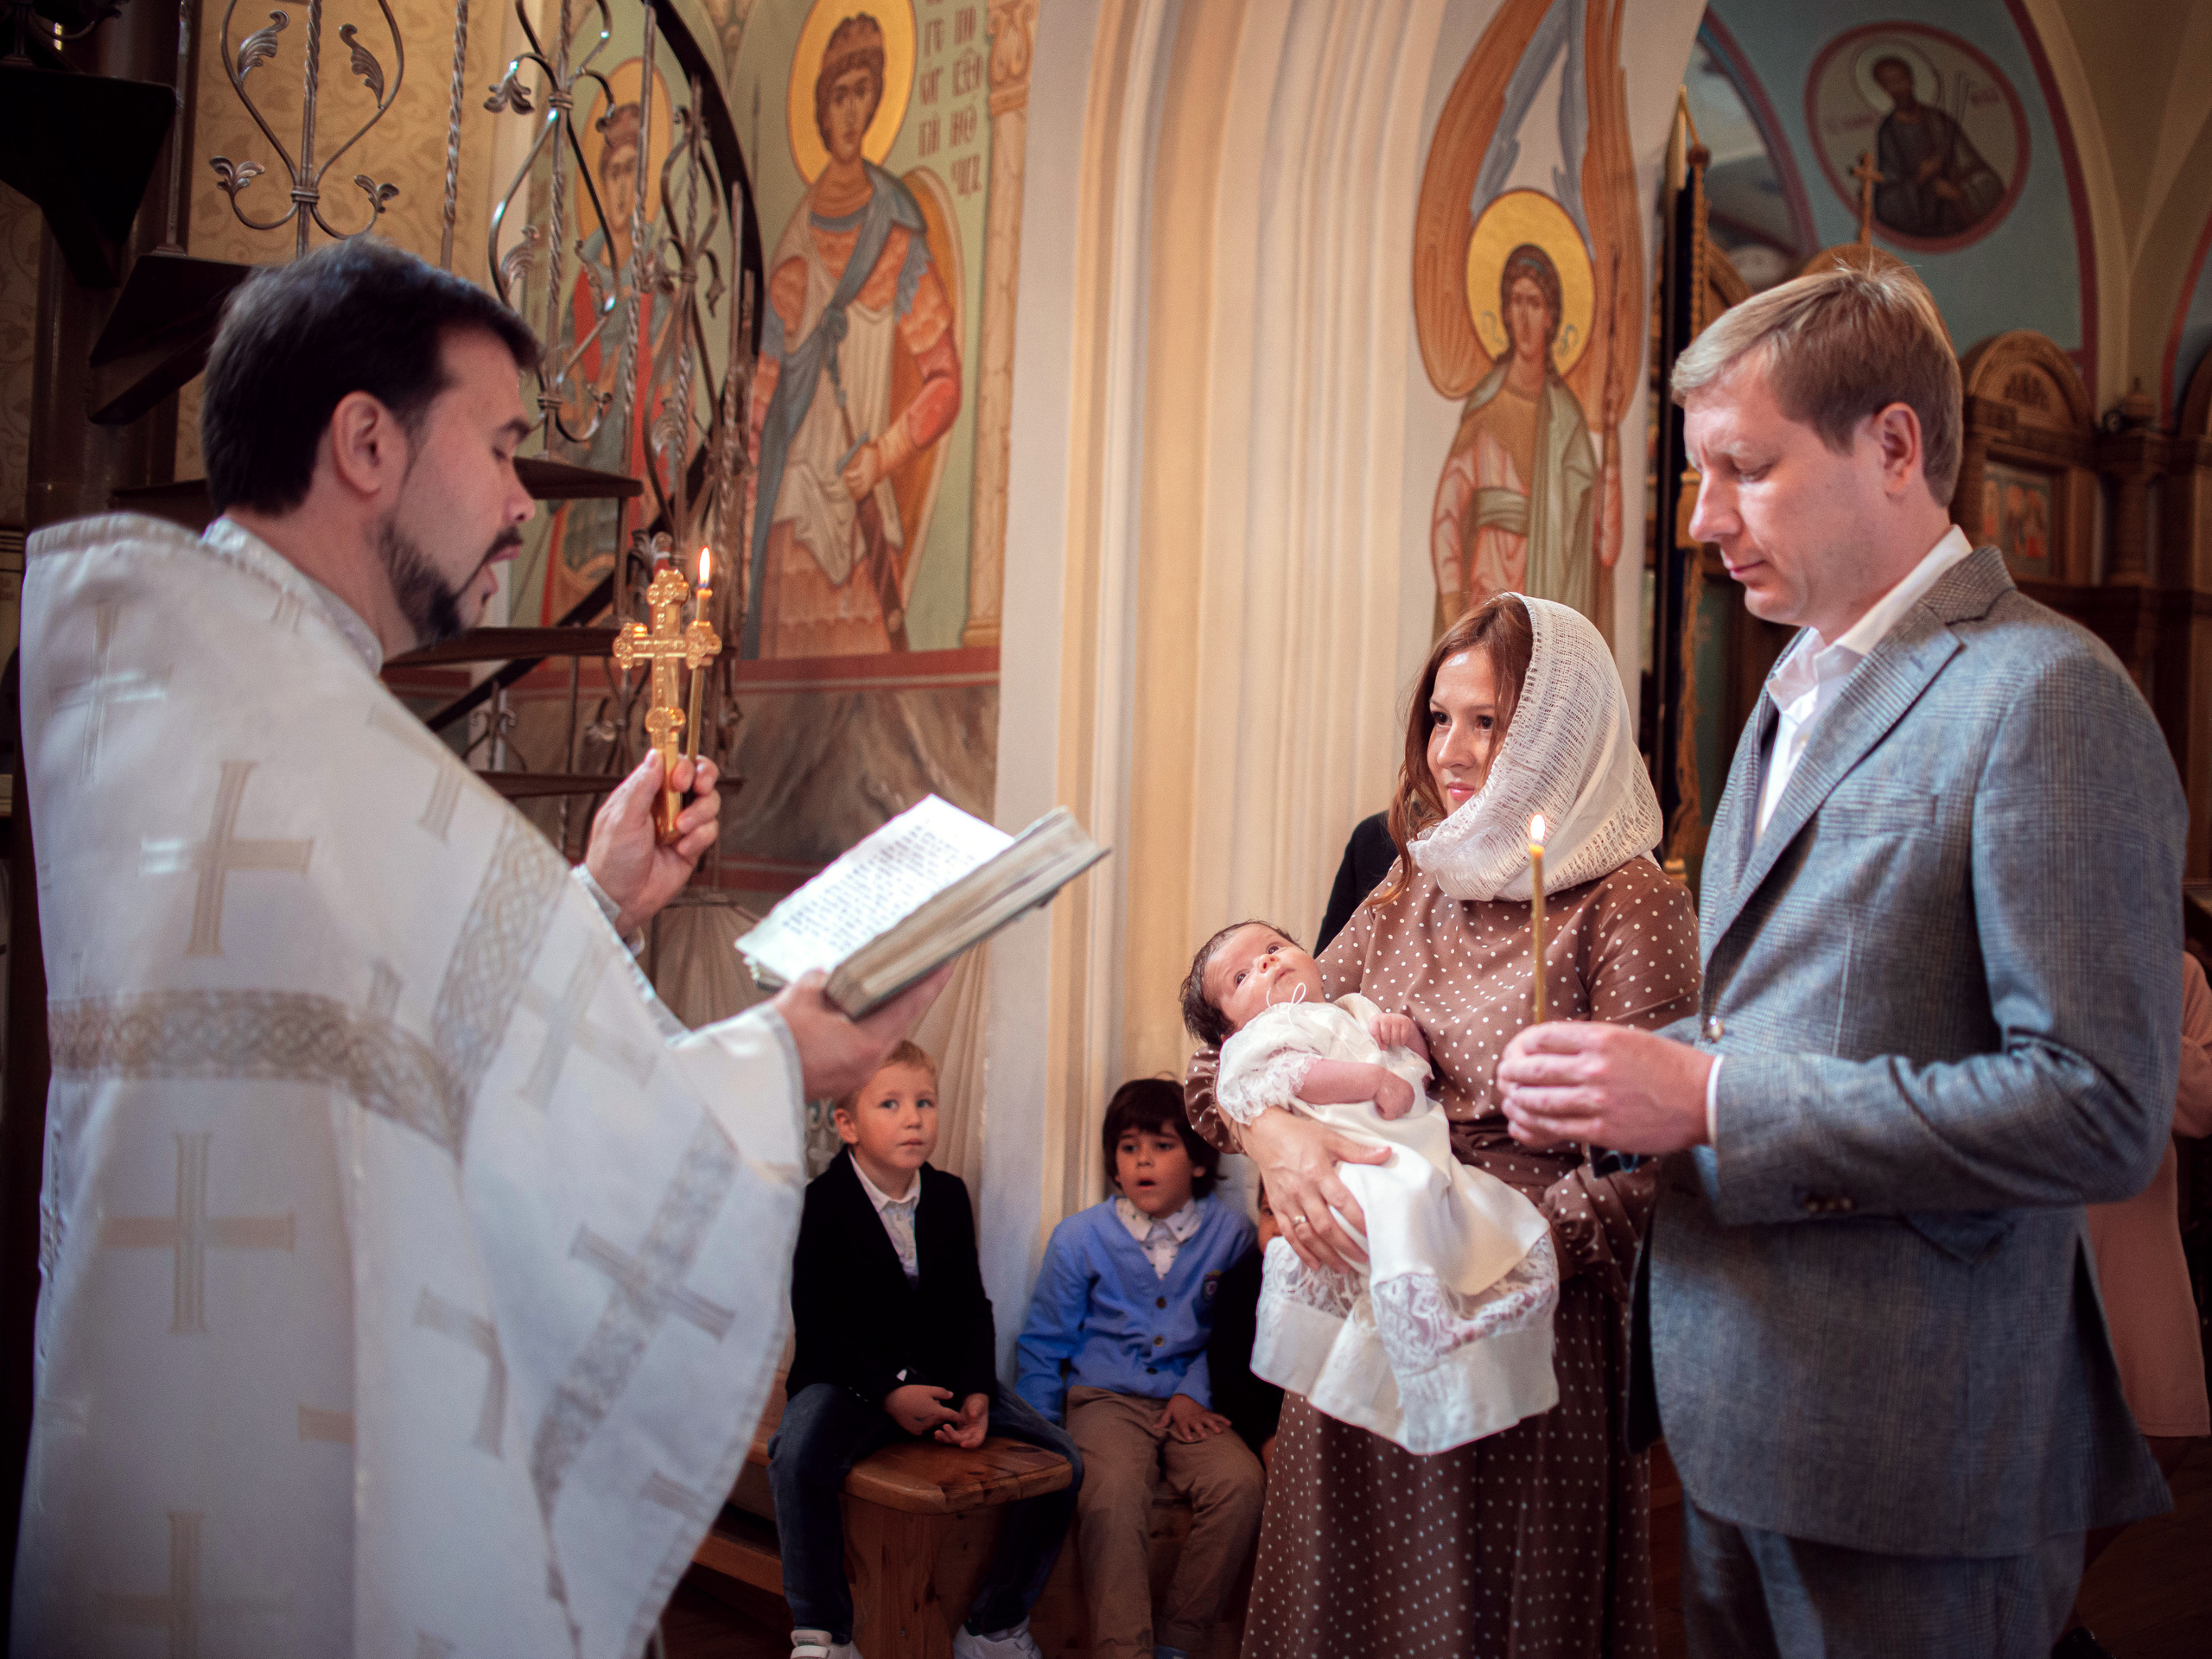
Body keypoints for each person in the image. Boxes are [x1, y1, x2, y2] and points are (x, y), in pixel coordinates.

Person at [10, 238, 949, 1658]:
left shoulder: (222, 693)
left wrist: (593, 899)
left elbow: (375, 1041)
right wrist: (787, 1054)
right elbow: (517, 1121)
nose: (524, 503)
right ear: (368, 440)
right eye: (504, 444)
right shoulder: (314, 747)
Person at [1496, 263, 2182, 1657]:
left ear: (1892, 446)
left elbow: (2098, 1107)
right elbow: (1804, 1004)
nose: (1703, 523)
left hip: (1917, 1444)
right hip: (1738, 1414)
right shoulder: (1793, 689)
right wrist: (1633, 1069)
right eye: (1700, 476)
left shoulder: (2044, 695)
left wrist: (1709, 1103)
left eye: (1744, 470)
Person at [1185, 591, 1701, 1656]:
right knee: (1342, 1596)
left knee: (1470, 1609)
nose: (1451, 754)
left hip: (1515, 1313)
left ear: (1560, 728)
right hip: (1365, 1290)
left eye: (1487, 722)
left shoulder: (1630, 902)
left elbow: (1657, 1159)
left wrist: (1493, 1257)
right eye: (1438, 718)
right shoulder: (1413, 877)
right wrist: (1275, 1142)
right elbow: (1241, 1056)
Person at [1181, 921, 1558, 1454]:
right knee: (1399, 1214)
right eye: (1242, 975)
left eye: (1273, 948)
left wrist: (1409, 1042)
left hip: (1416, 1148)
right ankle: (1422, 1346)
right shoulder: (1264, 1035)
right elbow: (1298, 1076)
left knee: (1476, 1228)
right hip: (1349, 1156)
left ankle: (1457, 1356)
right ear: (1231, 1026)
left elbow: (1415, 1079)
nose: (1266, 963)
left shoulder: (1354, 1007)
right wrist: (1373, 1082)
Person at [774, 1041, 1077, 1659]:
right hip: (849, 1379)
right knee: (796, 1453)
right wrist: (890, 1391)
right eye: (890, 1103)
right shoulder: (822, 1204)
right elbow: (822, 1327)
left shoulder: (946, 1196)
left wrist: (974, 1392)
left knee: (1064, 1459)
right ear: (848, 1125)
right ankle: (823, 1632)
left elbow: (971, 1306)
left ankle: (995, 1623)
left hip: (941, 1378)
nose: (913, 1117)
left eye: (924, 1102)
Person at [1015, 1081, 1263, 1659]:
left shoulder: (1231, 1237)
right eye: (1129, 1148)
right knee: (1112, 1493)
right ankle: (1122, 1649)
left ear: (1200, 1161)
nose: (1143, 1160)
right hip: (1104, 1399)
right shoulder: (1079, 1237)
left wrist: (1196, 1391)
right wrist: (1038, 1431)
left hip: (1191, 1402)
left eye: (1161, 1145)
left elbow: (1232, 1335)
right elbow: (1046, 1341)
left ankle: (1180, 1639)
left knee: (1241, 1485)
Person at [745, 12, 961, 658]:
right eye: (838, 95)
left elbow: (945, 382)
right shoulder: (792, 247)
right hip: (791, 521)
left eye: (862, 93)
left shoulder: (895, 236)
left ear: (875, 103)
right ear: (821, 107)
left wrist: (884, 455)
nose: (850, 111)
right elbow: (760, 409)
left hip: (862, 508)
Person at [2056, 951, 2212, 1656]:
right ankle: (2044, 1621)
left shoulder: (2177, 976)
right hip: (2039, 1221)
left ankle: (2031, 1604)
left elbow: (2202, 1105)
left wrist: (2120, 1005)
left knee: (2165, 1429)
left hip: (2140, 1223)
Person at [1430, 243, 1620, 631]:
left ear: (1552, 317)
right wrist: (1453, 608)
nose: (1524, 316)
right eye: (1516, 301)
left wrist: (1614, 434)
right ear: (1504, 311)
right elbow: (1447, 514)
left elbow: (1605, 542)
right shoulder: (1486, 406)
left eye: (1535, 303)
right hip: (1485, 596)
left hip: (1547, 610)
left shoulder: (1567, 420)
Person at [1869, 56, 2004, 241]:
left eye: (1901, 79)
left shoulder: (1939, 121)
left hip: (1960, 222)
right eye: (1890, 83)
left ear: (1911, 79)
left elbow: (1983, 176)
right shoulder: (1888, 133)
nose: (1898, 88)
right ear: (1884, 89)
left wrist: (1959, 192)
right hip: (1924, 232)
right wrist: (1921, 179)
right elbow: (1887, 202)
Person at [1204, 1186, 1284, 1469]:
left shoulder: (1342, 1286)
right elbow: (1228, 1376)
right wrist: (1265, 1437)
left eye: (1293, 1213)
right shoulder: (1240, 1283)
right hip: (1259, 1426)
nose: (1277, 1228)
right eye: (1269, 1212)